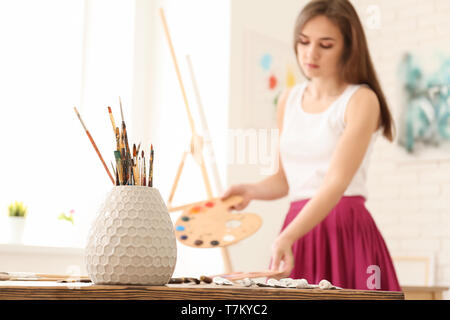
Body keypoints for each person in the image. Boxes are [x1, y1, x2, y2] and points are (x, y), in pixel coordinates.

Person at [222, 0, 401, 291]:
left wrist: (288, 236)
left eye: (325, 44)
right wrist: (251, 190)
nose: (310, 53)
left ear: (348, 46)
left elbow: (335, 182)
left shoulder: (361, 100)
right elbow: (285, 179)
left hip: (344, 227)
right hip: (299, 227)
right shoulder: (287, 99)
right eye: (303, 42)